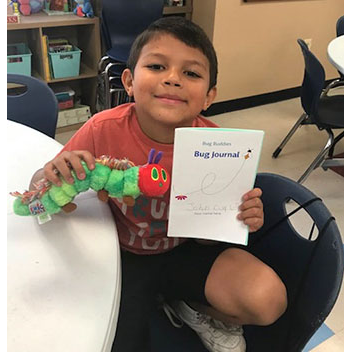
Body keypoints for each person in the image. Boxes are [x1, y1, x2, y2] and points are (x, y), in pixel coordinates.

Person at [32, 17, 283, 352]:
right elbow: (39, 190)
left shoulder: (221, 148)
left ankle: (192, 308)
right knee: (108, 340)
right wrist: (50, 173)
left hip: (184, 251)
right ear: (129, 81)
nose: (172, 79)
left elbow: (208, 242)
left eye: (191, 73)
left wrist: (237, 217)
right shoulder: (102, 129)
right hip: (122, 255)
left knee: (268, 299)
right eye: (156, 66)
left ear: (209, 96)